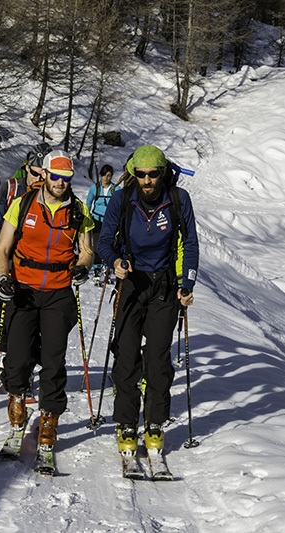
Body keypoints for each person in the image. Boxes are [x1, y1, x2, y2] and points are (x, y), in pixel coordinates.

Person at [96, 145, 199, 457]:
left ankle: (155, 422)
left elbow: (190, 242)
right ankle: (127, 423)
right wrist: (114, 261)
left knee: (157, 359)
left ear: (162, 172)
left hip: (164, 287)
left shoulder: (178, 200)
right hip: (131, 283)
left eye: (153, 174)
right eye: (140, 174)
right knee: (126, 356)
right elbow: (103, 240)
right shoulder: (122, 199)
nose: (147, 180)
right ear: (133, 174)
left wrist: (187, 283)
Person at [0, 149, 94, 454]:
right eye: (55, 177)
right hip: (23, 289)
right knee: (17, 356)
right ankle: (17, 404)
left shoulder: (78, 211)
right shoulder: (22, 205)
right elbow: (2, 249)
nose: (60, 183)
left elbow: (87, 251)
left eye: (66, 178)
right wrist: (1, 278)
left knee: (53, 360)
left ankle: (49, 420)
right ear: (44, 175)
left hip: (59, 292)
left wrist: (82, 268)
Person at [0, 143, 49, 397]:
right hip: (8, 263)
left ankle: (25, 368)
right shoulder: (11, 188)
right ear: (26, 169)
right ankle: (7, 363)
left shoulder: (52, 193)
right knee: (8, 314)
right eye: (35, 173)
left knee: (34, 319)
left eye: (44, 174)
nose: (39, 179)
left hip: (39, 269)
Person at [85, 164, 121, 284]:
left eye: (109, 175)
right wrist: (87, 219)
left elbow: (120, 204)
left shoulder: (116, 189)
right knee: (96, 245)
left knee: (109, 245)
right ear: (101, 175)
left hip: (109, 221)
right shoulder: (95, 188)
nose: (106, 178)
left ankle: (107, 269)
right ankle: (96, 269)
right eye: (104, 175)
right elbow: (88, 203)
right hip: (96, 220)